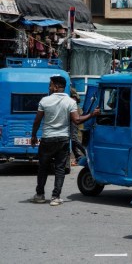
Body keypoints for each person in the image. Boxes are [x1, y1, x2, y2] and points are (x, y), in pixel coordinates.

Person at [30, 76, 99, 206]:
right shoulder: (70, 102)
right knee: (60, 169)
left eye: (50, 85)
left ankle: (39, 195)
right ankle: (55, 197)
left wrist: (33, 136)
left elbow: (37, 120)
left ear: (56, 86)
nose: (49, 88)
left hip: (47, 139)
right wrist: (91, 115)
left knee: (43, 168)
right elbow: (77, 120)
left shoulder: (44, 101)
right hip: (63, 139)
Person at [69, 91, 86, 166]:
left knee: (74, 138)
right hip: (72, 114)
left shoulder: (70, 89)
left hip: (74, 114)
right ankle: (78, 157)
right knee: (72, 139)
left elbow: (74, 99)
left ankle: (86, 152)